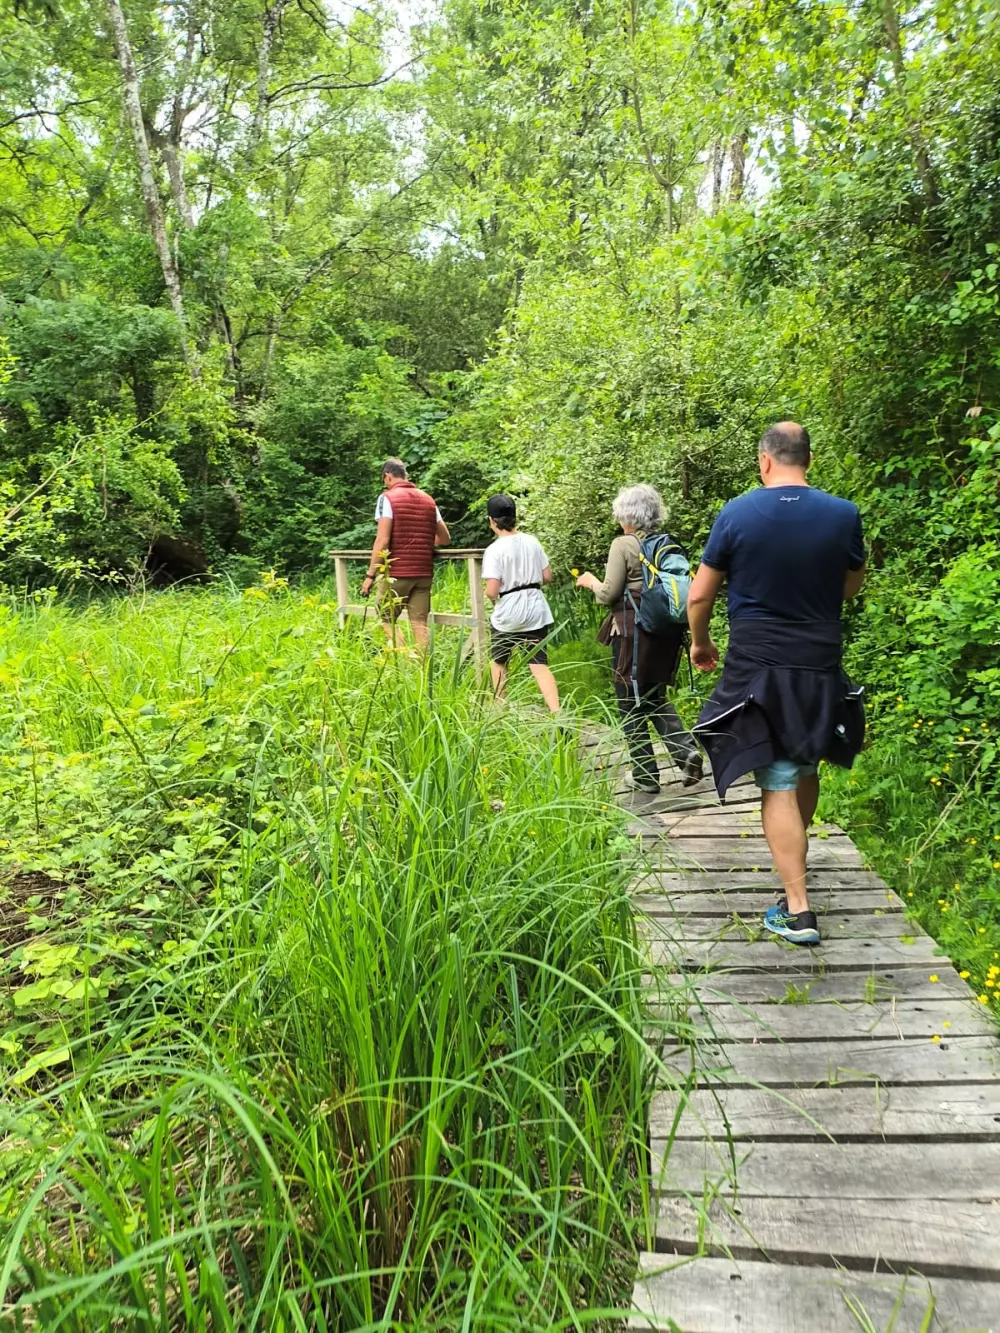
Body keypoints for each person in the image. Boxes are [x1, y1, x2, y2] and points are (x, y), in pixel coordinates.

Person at [687, 422, 866, 946]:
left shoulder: (737, 512)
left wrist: (700, 643)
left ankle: (798, 909)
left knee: (779, 778)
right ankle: (795, 873)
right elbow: (852, 585)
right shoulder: (843, 514)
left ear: (765, 461)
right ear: (807, 458)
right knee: (804, 761)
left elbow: (699, 596)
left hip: (760, 662)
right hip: (819, 659)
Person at [576, 484, 703, 792]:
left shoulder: (623, 544)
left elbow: (609, 594)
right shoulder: (665, 543)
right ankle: (686, 752)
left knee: (628, 702)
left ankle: (645, 776)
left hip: (631, 633)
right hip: (664, 632)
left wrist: (591, 582)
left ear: (627, 516)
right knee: (654, 697)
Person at [360, 458, 451, 648]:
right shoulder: (428, 500)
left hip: (397, 574)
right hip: (424, 574)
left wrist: (370, 575)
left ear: (387, 476)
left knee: (386, 618)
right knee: (420, 624)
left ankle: (402, 665)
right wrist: (422, 543)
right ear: (406, 475)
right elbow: (444, 539)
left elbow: (382, 540)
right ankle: (423, 672)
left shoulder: (387, 498)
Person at [481, 494, 560, 713]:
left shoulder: (494, 550)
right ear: (514, 517)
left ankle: (500, 708)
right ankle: (557, 712)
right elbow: (546, 576)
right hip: (535, 609)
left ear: (492, 520)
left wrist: (492, 598)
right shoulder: (532, 541)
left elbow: (492, 590)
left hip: (509, 613)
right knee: (539, 664)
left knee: (499, 661)